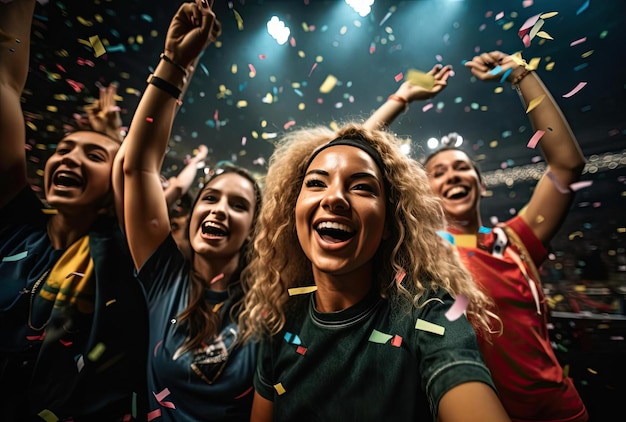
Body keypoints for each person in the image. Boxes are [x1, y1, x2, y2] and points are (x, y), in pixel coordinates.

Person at [365, 51, 589, 421]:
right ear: (425, 192)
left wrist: (521, 72)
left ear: (481, 185)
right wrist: (402, 97)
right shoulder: (419, 253)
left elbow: (567, 164)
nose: (452, 175)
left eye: (462, 168)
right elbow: (342, 159)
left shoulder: (515, 240)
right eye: (438, 172)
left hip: (561, 412)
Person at [238, 123, 510, 421]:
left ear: (388, 224)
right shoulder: (279, 320)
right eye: (317, 183)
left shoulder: (427, 314)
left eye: (362, 187)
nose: (334, 198)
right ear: (294, 208)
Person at [0, 0, 148, 419]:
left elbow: (140, 168)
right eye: (63, 149)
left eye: (94, 157)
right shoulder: (15, 228)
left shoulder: (124, 255)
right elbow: (5, 85)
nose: (69, 159)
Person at [120, 1, 261, 420]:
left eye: (239, 205)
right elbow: (139, 163)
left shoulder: (271, 300)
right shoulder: (164, 277)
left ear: (254, 229)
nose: (219, 210)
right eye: (211, 198)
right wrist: (175, 63)